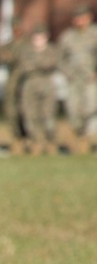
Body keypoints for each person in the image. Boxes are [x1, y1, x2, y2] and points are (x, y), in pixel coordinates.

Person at [58, 5, 97, 154]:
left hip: (91, 79)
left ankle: (92, 143)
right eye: (77, 18)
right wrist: (67, 73)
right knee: (74, 110)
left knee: (92, 109)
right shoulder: (67, 37)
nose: (80, 21)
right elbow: (60, 59)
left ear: (89, 18)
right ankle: (80, 141)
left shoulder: (95, 34)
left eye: (83, 18)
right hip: (73, 79)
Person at [19, 24, 59, 155]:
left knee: (48, 115)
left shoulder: (52, 50)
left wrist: (36, 65)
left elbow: (51, 63)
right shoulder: (26, 51)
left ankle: (50, 142)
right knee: (30, 115)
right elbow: (24, 66)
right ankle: (36, 142)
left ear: (46, 37)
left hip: (46, 83)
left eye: (41, 36)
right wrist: (40, 65)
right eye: (36, 36)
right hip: (30, 83)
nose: (38, 39)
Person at [0, 17, 28, 153]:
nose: (16, 30)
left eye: (18, 27)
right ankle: (16, 138)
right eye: (14, 27)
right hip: (13, 81)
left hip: (26, 81)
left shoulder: (28, 44)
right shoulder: (8, 46)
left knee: (26, 111)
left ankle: (29, 139)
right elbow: (2, 58)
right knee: (11, 111)